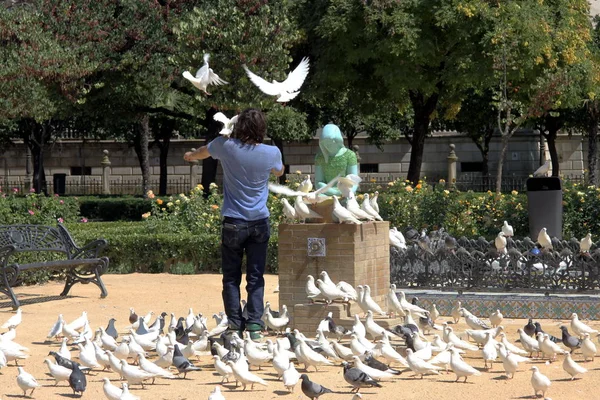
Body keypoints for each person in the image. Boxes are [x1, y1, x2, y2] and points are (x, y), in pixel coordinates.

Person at [183, 108, 284, 340]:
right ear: (261, 129)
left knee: (231, 277)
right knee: (256, 277)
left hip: (233, 222)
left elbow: (201, 153)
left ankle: (235, 326)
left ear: (238, 126)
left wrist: (189, 156)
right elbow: (279, 172)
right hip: (260, 222)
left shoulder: (225, 146)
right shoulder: (272, 152)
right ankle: (256, 327)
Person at [314, 123, 359, 196]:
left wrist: (346, 193)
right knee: (317, 199)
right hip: (326, 193)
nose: (328, 146)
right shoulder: (319, 157)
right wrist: (333, 192)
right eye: (325, 143)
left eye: (330, 142)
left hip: (346, 192)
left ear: (337, 140)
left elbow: (354, 181)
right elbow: (318, 182)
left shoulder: (350, 155)